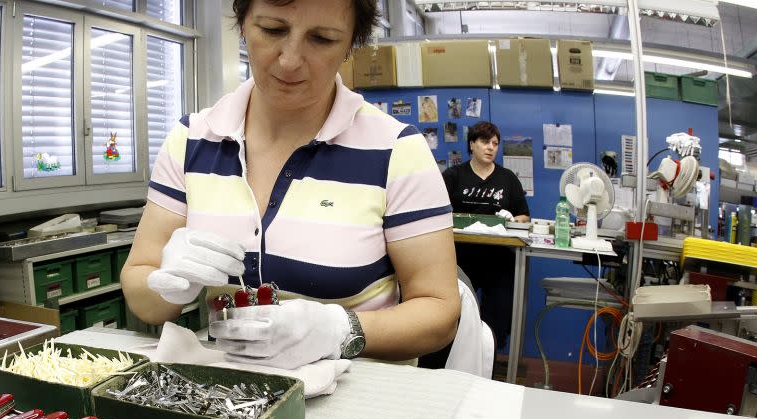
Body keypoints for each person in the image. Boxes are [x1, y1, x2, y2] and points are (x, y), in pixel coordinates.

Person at [121, 0, 460, 370]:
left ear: (350, 44)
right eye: (272, 30)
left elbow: (439, 312)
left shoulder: (396, 151)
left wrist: (340, 330)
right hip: (230, 396)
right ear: (243, 23)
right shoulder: (191, 141)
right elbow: (141, 292)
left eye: (322, 38)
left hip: (361, 404)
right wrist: (166, 284)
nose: (289, 60)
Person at [426, 122, 529, 367]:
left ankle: (489, 367)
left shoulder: (508, 179)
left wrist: (513, 220)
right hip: (460, 259)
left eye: (495, 143)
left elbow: (524, 215)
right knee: (456, 317)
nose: (490, 148)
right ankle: (451, 367)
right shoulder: (453, 176)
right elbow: (435, 209)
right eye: (485, 142)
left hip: (499, 260)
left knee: (495, 322)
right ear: (472, 144)